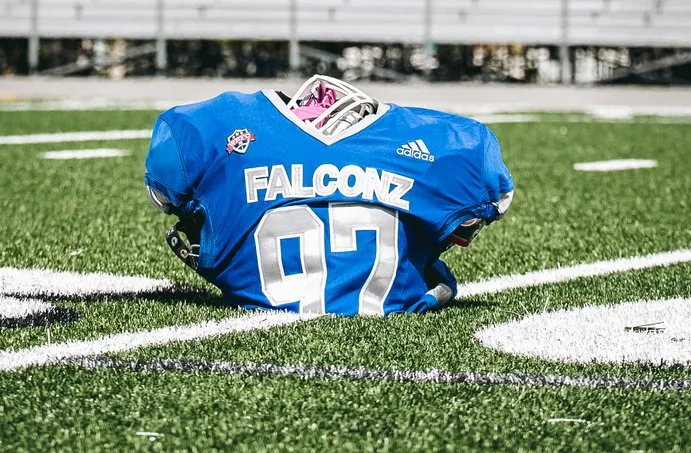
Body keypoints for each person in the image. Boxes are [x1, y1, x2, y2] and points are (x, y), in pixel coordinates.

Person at [142, 75, 514, 315]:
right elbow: (491, 202)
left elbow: (163, 194)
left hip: (252, 294)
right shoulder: (450, 141)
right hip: (390, 304)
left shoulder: (212, 125)